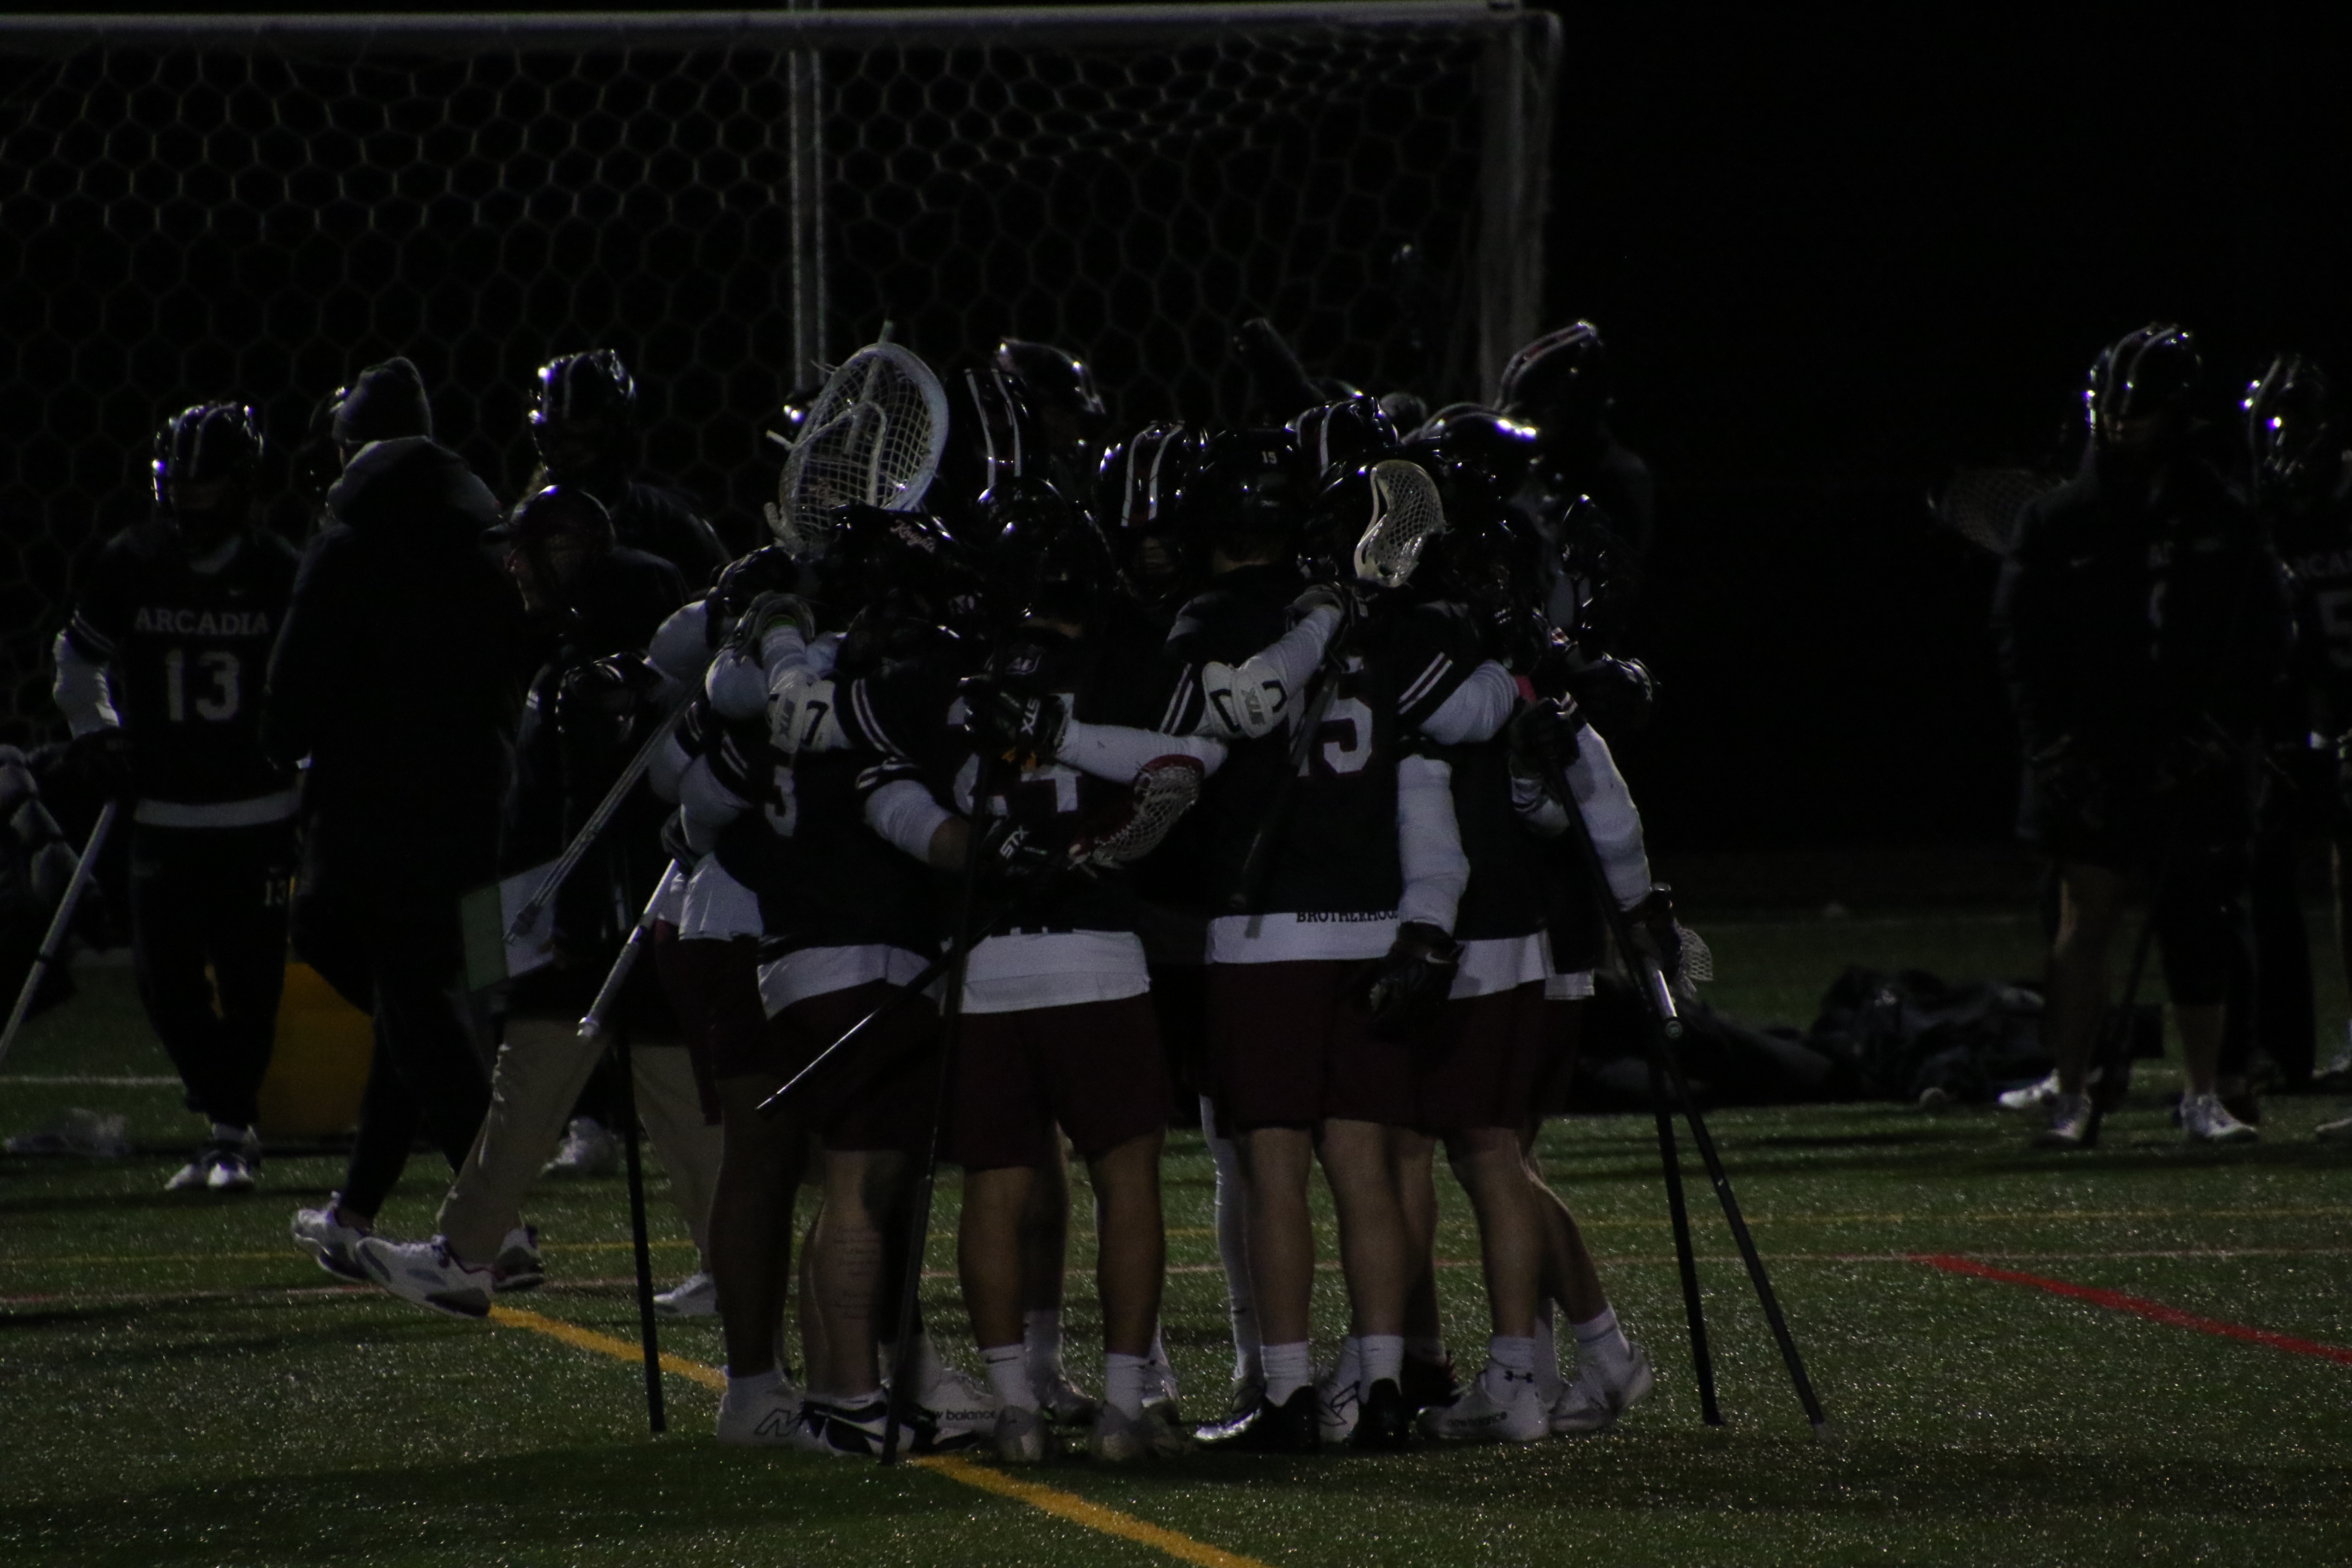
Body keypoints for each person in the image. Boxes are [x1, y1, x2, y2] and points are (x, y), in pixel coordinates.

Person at [865, 502, 1214, 1463]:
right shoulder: (1124, 662)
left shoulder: (950, 676)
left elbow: (888, 789)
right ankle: (1124, 1405)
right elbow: (1186, 768)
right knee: (1125, 1181)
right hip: (1096, 952)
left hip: (983, 960)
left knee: (995, 1186)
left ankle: (1016, 1409)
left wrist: (974, 846)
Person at [352, 485, 726, 1317]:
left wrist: (573, 921)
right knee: (676, 1102)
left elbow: (594, 814)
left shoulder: (607, 687)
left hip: (582, 916)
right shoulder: (567, 664)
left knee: (527, 1090)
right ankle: (737, 1265)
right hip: (583, 910)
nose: (514, 566)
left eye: (528, 549)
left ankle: (466, 1253)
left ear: (567, 555)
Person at [1990, 324, 2292, 1149]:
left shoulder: (2222, 517)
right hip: (2091, 752)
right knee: (2082, 919)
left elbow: (2262, 635)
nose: (2124, 425)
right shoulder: (2060, 519)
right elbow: (2020, 640)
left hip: (2188, 752)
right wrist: (2053, 745)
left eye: (2143, 411)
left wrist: (2218, 732)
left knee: (2196, 919)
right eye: (2116, 410)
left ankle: (2204, 1091)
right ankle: (2072, 1091)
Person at [269, 356, 522, 1275]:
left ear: (349, 446)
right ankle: (356, 1208)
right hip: (480, 804)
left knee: (403, 996)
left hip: (374, 813)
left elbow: (288, 704)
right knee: (415, 1002)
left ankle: (495, 1222)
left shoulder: (351, 543)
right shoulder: (486, 537)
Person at [52, 401, 301, 1192]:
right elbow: (77, 660)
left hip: (259, 812)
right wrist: (96, 732)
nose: (190, 498)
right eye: (180, 482)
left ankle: (230, 1131)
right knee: (166, 986)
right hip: (163, 813)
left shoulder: (277, 569)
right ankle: (227, 1115)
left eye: (206, 483)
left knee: (252, 984)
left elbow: (317, 676)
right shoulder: (133, 560)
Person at [527, 348, 732, 590]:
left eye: (579, 430)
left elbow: (724, 598)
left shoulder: (671, 522)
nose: (562, 450)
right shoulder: (521, 530)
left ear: (616, 429)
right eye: (553, 434)